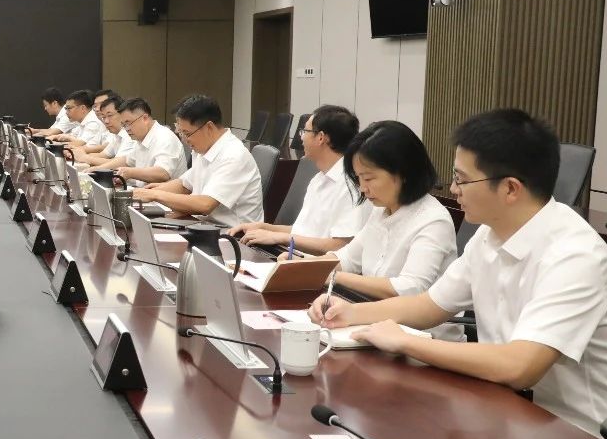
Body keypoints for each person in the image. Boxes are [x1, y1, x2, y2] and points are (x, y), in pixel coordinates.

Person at [310, 109, 607, 435]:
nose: (453, 188)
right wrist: (350, 313)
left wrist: (405, 342)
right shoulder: (489, 235)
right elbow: (429, 305)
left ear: (510, 189)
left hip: (570, 432)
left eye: (463, 179)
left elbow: (520, 366)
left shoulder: (575, 255)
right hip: (501, 408)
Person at [309, 120, 455, 298]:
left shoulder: (433, 221)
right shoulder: (381, 209)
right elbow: (348, 258)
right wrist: (301, 265)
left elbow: (410, 288)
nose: (362, 188)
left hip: (409, 316)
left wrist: (335, 277)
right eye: (358, 178)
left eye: (368, 179)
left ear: (404, 172)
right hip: (372, 309)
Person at [232, 105, 369, 254]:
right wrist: (263, 228)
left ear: (321, 137)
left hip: (315, 265)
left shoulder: (350, 185)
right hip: (293, 256)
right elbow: (303, 231)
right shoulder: (319, 178)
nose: (301, 137)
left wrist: (280, 238)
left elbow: (339, 247)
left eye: (305, 131)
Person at [129, 95, 261, 225]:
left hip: (234, 233)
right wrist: (147, 192)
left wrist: (155, 195)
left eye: (187, 133)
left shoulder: (234, 155)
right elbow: (185, 184)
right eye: (181, 133)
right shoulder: (204, 148)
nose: (184, 140)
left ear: (209, 127)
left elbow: (205, 204)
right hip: (204, 225)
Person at [92, 97, 183, 185]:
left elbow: (163, 173)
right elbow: (127, 161)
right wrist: (97, 169)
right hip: (144, 191)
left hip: (163, 194)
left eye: (128, 123)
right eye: (124, 125)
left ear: (145, 118)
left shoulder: (164, 137)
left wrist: (130, 173)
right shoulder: (141, 137)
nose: (127, 129)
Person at [73, 95, 132, 164]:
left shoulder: (129, 134)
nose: (106, 121)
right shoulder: (116, 135)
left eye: (110, 115)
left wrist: (85, 157)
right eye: (103, 117)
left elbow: (117, 163)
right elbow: (103, 155)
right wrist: (78, 155)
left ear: (122, 114)